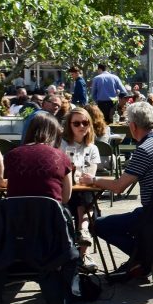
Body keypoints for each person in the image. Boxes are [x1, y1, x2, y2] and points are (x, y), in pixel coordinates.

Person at [80, 102, 153, 265]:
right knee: (128, 220)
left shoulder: (144, 150)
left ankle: (146, 257)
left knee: (97, 225)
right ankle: (147, 254)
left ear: (133, 126)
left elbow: (119, 187)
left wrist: (93, 180)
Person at [61, 108, 103, 270]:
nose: (82, 126)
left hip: (82, 193)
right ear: (69, 125)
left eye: (85, 123)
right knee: (88, 204)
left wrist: (77, 173)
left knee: (85, 195)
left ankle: (82, 249)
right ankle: (83, 244)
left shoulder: (92, 148)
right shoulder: (62, 145)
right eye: (77, 123)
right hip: (65, 194)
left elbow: (90, 175)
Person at [5, 114, 72, 206]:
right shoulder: (61, 157)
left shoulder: (11, 155)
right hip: (50, 212)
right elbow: (66, 197)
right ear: (55, 133)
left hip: (15, 213)